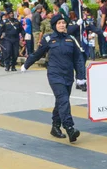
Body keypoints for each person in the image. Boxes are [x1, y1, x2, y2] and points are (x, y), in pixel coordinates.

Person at [21, 14, 86, 143]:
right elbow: (38, 54)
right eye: (59, 23)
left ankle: (55, 127)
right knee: (63, 100)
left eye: (63, 22)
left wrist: (80, 77)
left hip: (68, 75)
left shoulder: (71, 39)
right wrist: (26, 65)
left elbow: (78, 60)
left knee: (62, 101)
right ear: (54, 26)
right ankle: (69, 128)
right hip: (55, 75)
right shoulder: (48, 38)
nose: (62, 25)